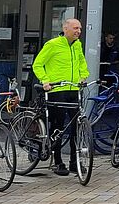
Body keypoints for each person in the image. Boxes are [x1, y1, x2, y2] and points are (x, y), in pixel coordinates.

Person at [32, 18, 90, 176]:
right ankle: (57, 161)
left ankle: (74, 161)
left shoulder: (77, 45)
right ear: (65, 29)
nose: (78, 31)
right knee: (58, 127)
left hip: (74, 90)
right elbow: (37, 64)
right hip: (57, 90)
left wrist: (83, 76)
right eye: (75, 28)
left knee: (76, 127)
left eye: (80, 28)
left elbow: (81, 62)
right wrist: (45, 81)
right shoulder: (53, 44)